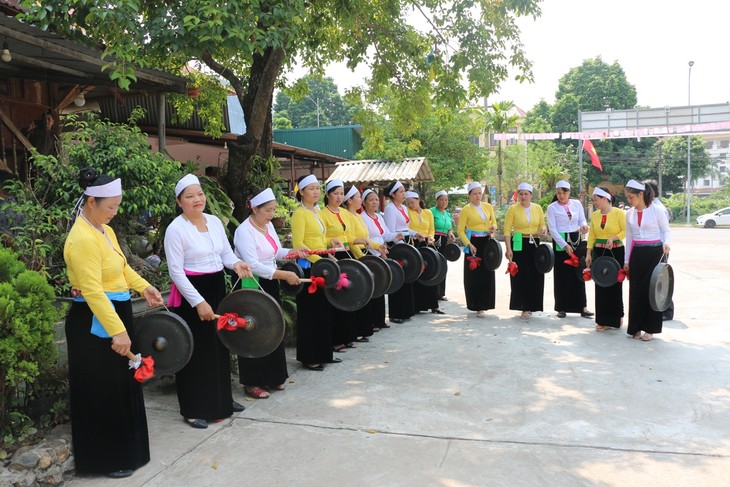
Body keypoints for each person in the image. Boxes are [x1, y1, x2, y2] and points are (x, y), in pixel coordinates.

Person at [63, 168, 163, 479]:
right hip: (95, 320)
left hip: (115, 312)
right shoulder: (81, 237)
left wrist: (142, 286)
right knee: (102, 389)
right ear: (91, 202)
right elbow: (93, 289)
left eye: (117, 206)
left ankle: (126, 451)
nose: (115, 212)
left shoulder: (105, 230)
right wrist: (117, 331)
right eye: (111, 207)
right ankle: (104, 459)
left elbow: (120, 270)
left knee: (122, 385)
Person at [164, 174, 252, 429]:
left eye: (199, 194)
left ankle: (222, 399)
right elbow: (176, 272)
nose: (197, 199)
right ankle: (193, 408)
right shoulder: (176, 229)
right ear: (180, 202)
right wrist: (198, 302)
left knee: (219, 345)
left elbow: (225, 253)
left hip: (216, 287)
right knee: (196, 351)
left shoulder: (214, 221)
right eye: (189, 196)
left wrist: (237, 264)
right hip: (192, 293)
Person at [233, 187, 304, 399]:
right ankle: (252, 381)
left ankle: (274, 375)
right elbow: (252, 264)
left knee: (272, 328)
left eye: (273, 210)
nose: (272, 215)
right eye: (268, 211)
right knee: (253, 331)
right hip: (251, 284)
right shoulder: (244, 231)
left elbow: (276, 252)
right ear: (254, 208)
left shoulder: (268, 226)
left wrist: (292, 253)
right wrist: (281, 274)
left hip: (271, 280)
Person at [290, 174, 342, 371]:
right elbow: (299, 245)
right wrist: (320, 261)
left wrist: (331, 242)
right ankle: (310, 356)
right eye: (311, 188)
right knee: (310, 313)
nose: (316, 192)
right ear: (301, 192)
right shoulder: (299, 214)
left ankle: (324, 353)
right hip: (308, 268)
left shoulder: (317, 211)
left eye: (317, 188)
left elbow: (320, 239)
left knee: (323, 311)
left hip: (321, 266)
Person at [623, 179, 671, 342]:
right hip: (637, 254)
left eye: (631, 197)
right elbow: (629, 238)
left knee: (652, 291)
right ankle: (635, 327)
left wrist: (666, 243)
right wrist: (627, 260)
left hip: (655, 253)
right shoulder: (629, 213)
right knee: (635, 290)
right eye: (628, 198)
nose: (629, 201)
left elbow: (666, 230)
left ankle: (650, 328)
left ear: (641, 194)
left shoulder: (657, 210)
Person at [321, 179, 363, 351]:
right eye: (335, 194)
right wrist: (329, 252)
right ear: (328, 195)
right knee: (336, 297)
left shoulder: (345, 213)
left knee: (348, 295)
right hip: (332, 256)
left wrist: (363, 241)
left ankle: (348, 336)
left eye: (341, 194)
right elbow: (321, 239)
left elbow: (349, 237)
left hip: (347, 254)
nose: (339, 197)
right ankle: (336, 340)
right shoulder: (322, 214)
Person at [546, 180, 593, 319]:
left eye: (564, 192)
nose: (561, 196)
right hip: (561, 240)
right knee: (562, 274)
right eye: (559, 193)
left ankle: (582, 306)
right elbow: (552, 229)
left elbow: (582, 220)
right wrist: (563, 245)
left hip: (576, 239)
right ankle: (562, 307)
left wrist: (584, 226)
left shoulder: (577, 204)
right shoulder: (552, 207)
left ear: (569, 192)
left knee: (579, 273)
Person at [343, 185, 385, 339]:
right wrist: (361, 259)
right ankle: (358, 330)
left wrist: (378, 247)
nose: (360, 199)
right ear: (349, 201)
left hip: (364, 256)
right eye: (359, 197)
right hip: (356, 258)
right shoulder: (347, 216)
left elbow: (365, 239)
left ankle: (365, 328)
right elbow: (352, 240)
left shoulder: (358, 216)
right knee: (358, 295)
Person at [504, 182, 547, 320]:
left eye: (526, 194)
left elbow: (542, 224)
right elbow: (506, 230)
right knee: (520, 275)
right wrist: (508, 249)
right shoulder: (512, 209)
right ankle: (523, 306)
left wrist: (543, 229)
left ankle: (533, 305)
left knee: (535, 274)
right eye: (521, 194)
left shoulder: (538, 208)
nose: (523, 197)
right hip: (518, 242)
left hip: (534, 242)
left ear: (531, 195)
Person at [585, 187, 626, 331]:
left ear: (605, 198)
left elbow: (625, 231)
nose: (595, 202)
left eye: (596, 199)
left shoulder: (619, 213)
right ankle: (602, 320)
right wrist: (589, 253)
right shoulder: (595, 215)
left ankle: (616, 317)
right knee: (600, 284)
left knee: (615, 285)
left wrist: (613, 238)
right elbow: (592, 235)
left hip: (616, 251)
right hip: (599, 251)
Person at [361, 188, 403, 331]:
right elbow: (367, 239)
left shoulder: (379, 217)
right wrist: (378, 250)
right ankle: (371, 321)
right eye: (371, 200)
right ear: (364, 202)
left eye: (376, 199)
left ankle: (380, 319)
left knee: (380, 287)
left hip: (381, 252)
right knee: (372, 288)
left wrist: (395, 236)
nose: (374, 202)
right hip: (370, 253)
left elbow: (385, 235)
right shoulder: (362, 217)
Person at [456, 182, 498, 319]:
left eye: (480, 193)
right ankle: (477, 305)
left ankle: (487, 303)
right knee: (474, 275)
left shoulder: (488, 206)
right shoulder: (466, 210)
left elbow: (494, 222)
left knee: (487, 272)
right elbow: (460, 230)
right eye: (475, 193)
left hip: (487, 242)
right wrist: (468, 245)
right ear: (469, 195)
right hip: (473, 242)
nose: (478, 196)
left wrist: (493, 227)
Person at [405, 190, 444, 315]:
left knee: (431, 273)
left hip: (427, 243)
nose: (411, 205)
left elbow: (431, 228)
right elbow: (407, 228)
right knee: (417, 274)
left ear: (418, 200)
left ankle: (433, 305)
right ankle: (418, 305)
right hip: (414, 243)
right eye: (408, 203)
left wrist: (431, 237)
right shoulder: (407, 213)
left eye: (413, 202)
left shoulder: (428, 213)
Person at [383, 181, 416, 324]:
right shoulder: (390, 209)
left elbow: (406, 228)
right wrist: (401, 244)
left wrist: (416, 234)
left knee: (407, 277)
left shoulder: (403, 208)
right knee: (398, 278)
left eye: (404, 191)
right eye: (401, 191)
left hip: (406, 245)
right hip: (397, 247)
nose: (404, 194)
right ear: (393, 194)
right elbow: (390, 231)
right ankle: (396, 313)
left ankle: (406, 310)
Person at [644, 179, 674, 321]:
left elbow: (665, 230)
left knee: (661, 280)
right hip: (654, 248)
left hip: (660, 248)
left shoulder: (658, 208)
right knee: (654, 280)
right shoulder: (649, 206)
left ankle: (667, 310)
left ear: (652, 192)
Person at [430, 190, 456, 301]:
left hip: (444, 241)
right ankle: (433, 293)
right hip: (434, 240)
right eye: (441, 199)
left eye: (446, 200)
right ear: (436, 200)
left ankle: (441, 293)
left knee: (443, 266)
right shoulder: (431, 212)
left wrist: (450, 234)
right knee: (435, 265)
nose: (444, 202)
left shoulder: (447, 214)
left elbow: (449, 228)